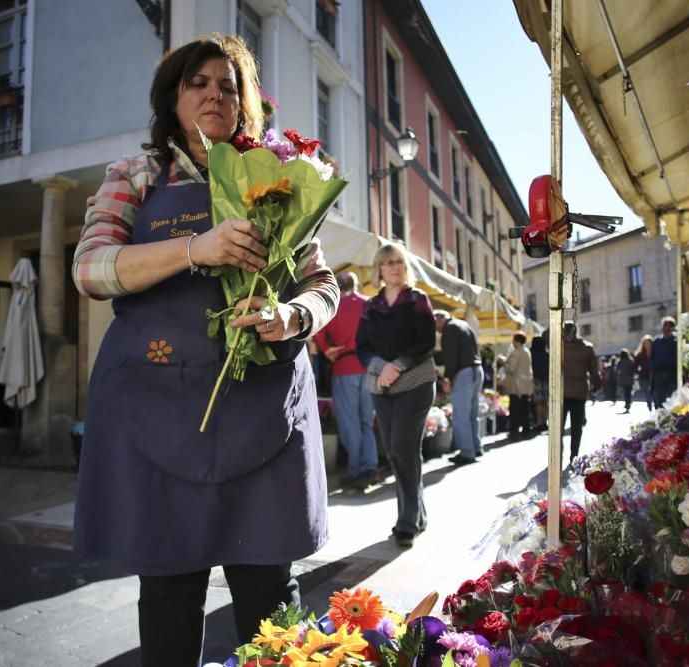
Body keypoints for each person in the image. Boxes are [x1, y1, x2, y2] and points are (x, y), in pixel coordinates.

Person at [70, 35, 339, 667]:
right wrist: (198, 248)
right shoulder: (135, 176)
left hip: (262, 405)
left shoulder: (279, 178)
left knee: (269, 587)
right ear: (174, 99)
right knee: (169, 584)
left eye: (228, 84)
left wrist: (292, 314)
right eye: (199, 83)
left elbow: (321, 286)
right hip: (158, 404)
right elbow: (90, 269)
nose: (215, 94)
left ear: (246, 102)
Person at [356, 243, 436, 549]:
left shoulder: (417, 299)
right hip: (382, 386)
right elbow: (361, 345)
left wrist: (398, 366)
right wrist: (381, 368)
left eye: (400, 261)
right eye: (389, 262)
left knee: (402, 449)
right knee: (396, 451)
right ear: (379, 268)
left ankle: (407, 522)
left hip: (415, 382)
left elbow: (426, 341)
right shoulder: (370, 305)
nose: (395, 267)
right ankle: (420, 514)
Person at [313, 271, 379, 490]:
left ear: (337, 286)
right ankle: (369, 466)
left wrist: (327, 350)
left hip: (344, 368)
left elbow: (319, 334)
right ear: (356, 284)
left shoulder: (333, 306)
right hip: (370, 368)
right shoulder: (369, 304)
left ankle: (356, 470)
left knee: (349, 422)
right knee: (366, 421)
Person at [433, 310, 484, 465]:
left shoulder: (450, 329)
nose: (435, 329)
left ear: (440, 319)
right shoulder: (463, 324)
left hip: (464, 372)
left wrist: (448, 379)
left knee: (461, 415)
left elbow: (451, 356)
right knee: (472, 413)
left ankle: (467, 453)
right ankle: (476, 447)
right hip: (476, 370)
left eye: (435, 324)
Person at [561, 322, 601, 466]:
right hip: (579, 391)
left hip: (561, 392)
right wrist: (596, 385)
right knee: (576, 426)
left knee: (559, 426)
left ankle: (559, 452)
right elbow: (594, 371)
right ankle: (574, 455)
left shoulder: (560, 347)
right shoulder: (586, 347)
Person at [503, 332, 534, 439]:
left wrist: (504, 362)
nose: (513, 342)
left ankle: (514, 429)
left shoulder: (516, 353)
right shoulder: (527, 351)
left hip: (517, 385)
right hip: (526, 384)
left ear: (518, 341)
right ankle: (526, 428)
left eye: (514, 340)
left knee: (515, 408)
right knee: (525, 408)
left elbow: (511, 369)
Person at [651, 316, 678, 409]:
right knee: (660, 399)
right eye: (665, 325)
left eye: (669, 326)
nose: (666, 328)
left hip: (672, 374)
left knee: (673, 398)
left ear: (672, 327)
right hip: (659, 374)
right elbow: (652, 357)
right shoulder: (657, 341)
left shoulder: (676, 340)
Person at [529, 335, 549, 431]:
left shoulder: (531, 354)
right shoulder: (547, 354)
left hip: (536, 380)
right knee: (545, 402)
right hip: (546, 380)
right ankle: (545, 422)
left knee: (538, 403)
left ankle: (539, 422)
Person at [633, 335, 654, 411]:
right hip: (644, 377)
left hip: (654, 376)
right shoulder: (640, 354)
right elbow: (635, 366)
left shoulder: (655, 353)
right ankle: (650, 408)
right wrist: (639, 372)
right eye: (645, 343)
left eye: (648, 343)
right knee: (647, 394)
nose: (647, 345)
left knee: (654, 394)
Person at [616, 348, 635, 413]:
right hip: (630, 379)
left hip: (623, 380)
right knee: (628, 392)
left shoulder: (620, 361)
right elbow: (633, 370)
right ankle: (628, 403)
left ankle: (627, 404)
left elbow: (617, 370)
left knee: (626, 393)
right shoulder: (630, 360)